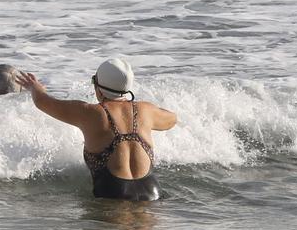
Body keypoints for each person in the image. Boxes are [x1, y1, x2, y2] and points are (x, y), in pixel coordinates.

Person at [15, 58, 178, 202]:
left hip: (113, 194)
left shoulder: (90, 113)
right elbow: (172, 119)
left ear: (98, 88)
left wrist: (35, 87)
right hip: (152, 192)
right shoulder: (146, 110)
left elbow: (43, 102)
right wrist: (148, 112)